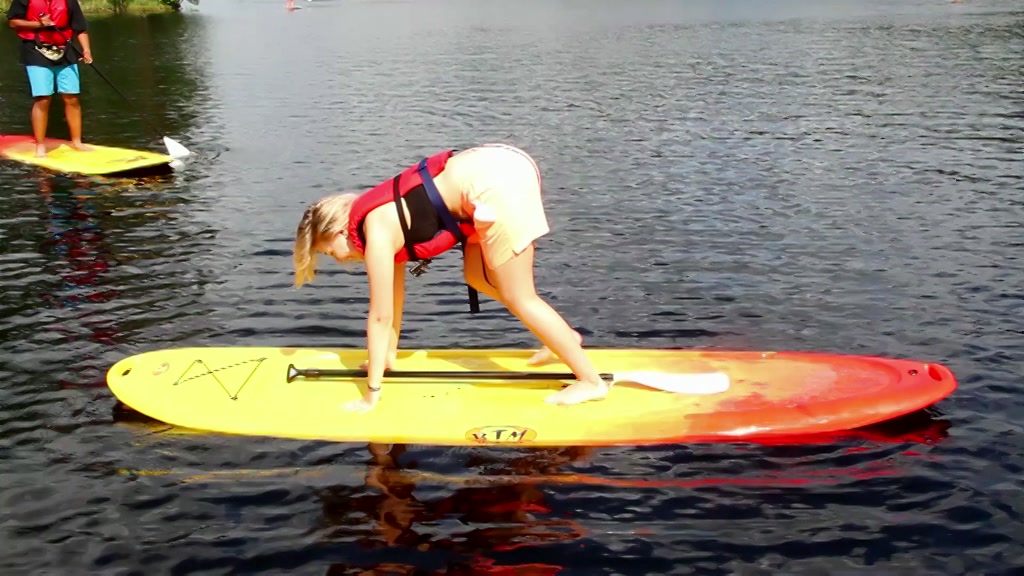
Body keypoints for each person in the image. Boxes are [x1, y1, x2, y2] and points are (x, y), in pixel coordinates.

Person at [293, 144, 609, 413]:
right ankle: (563, 337)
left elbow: (379, 316)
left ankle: (590, 381)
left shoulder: (375, 231)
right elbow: (394, 302)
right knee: (476, 276)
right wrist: (387, 355)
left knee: (520, 296)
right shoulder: (380, 219)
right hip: (498, 165)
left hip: (495, 184)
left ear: (337, 231)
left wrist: (371, 394)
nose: (339, 258)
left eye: (329, 251)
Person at [6, 0, 93, 158]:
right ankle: (40, 145)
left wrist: (86, 50)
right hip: (36, 50)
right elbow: (13, 22)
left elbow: (80, 28)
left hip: (65, 51)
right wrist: (39, 24)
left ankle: (77, 141)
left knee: (72, 97)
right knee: (43, 98)